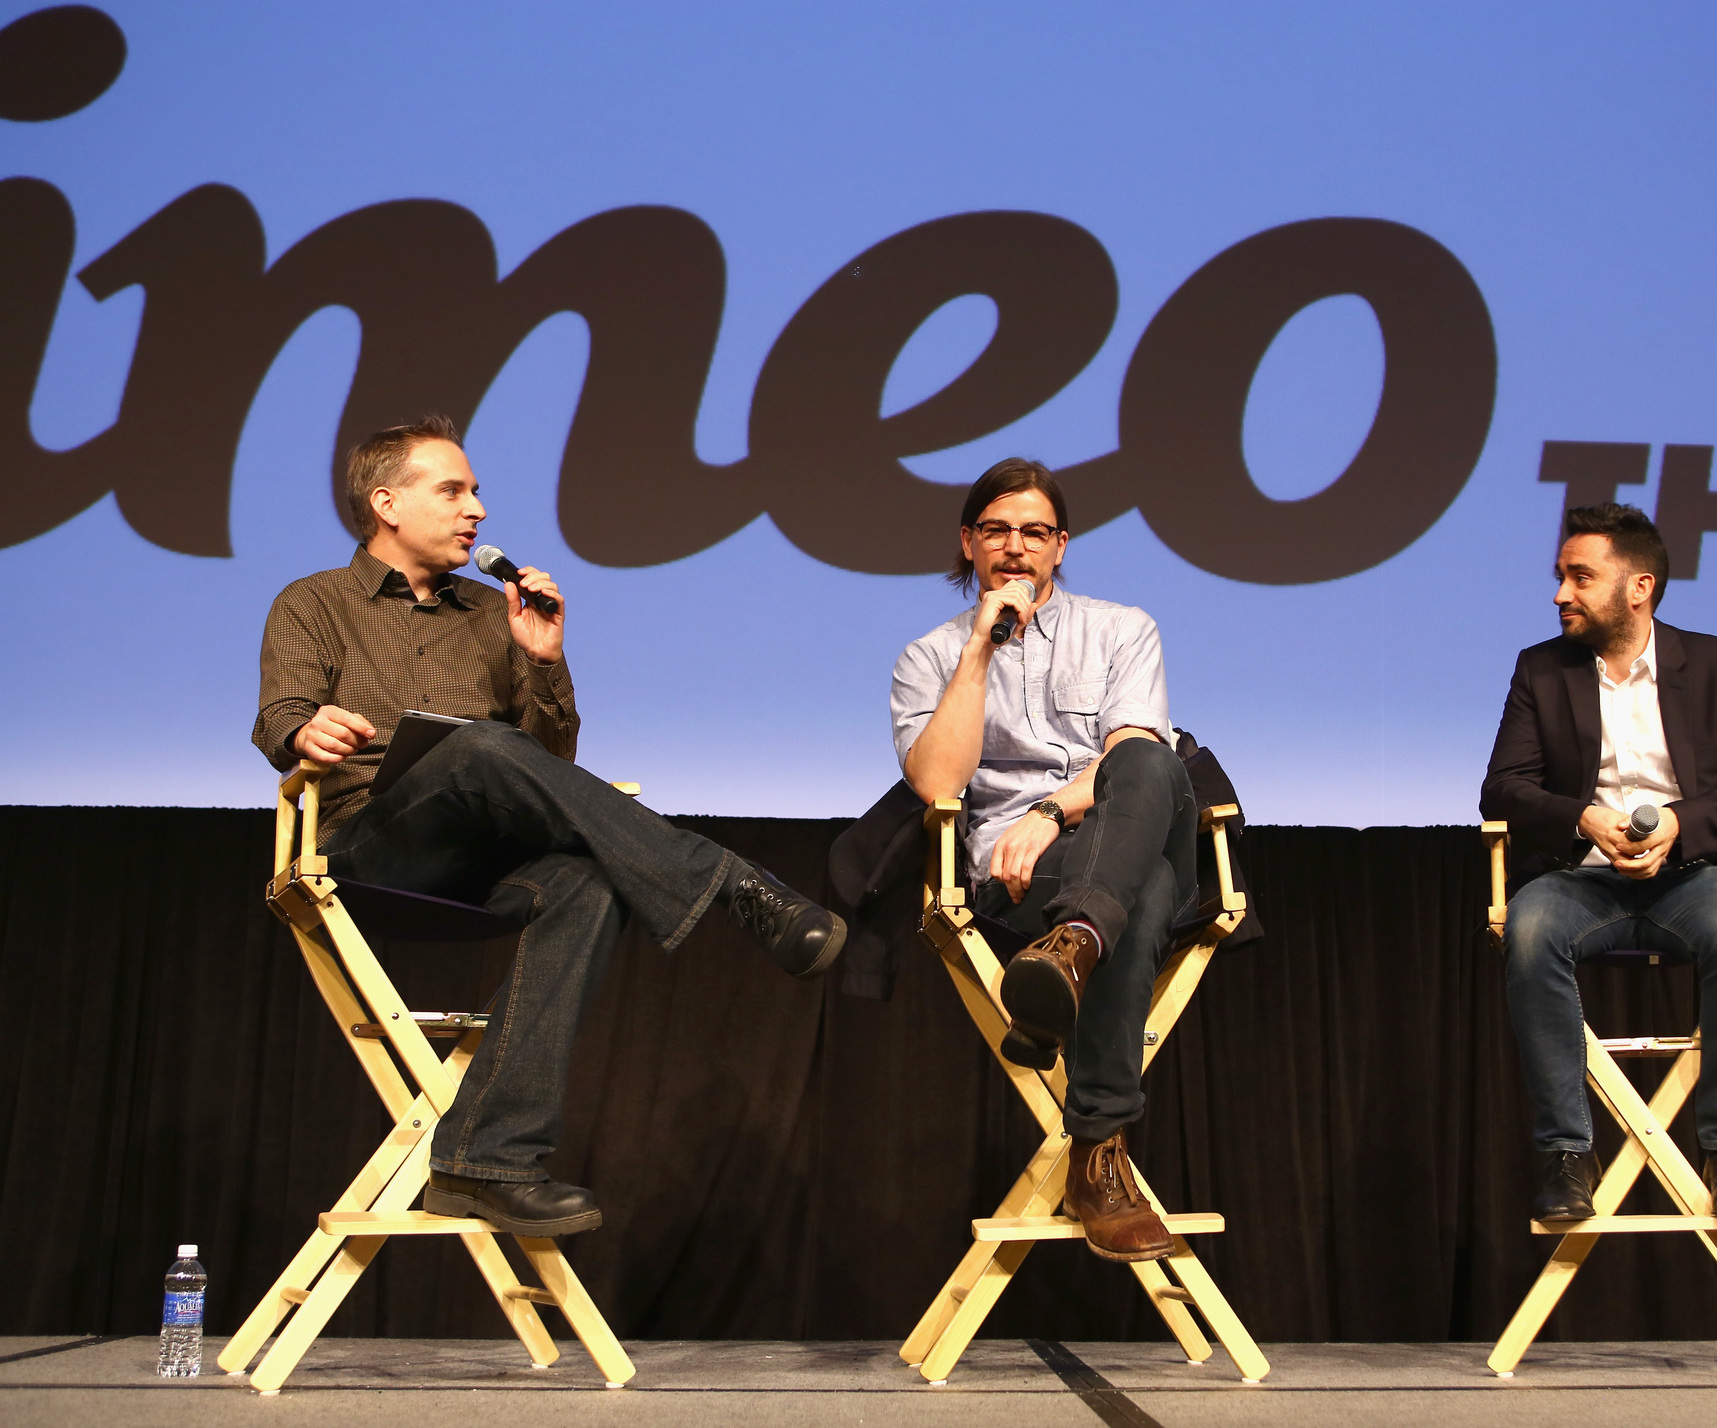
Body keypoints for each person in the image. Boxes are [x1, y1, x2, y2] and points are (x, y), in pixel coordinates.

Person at [253, 415, 844, 1237]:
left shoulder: (492, 615)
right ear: (386, 503)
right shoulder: (314, 601)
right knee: (476, 747)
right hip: (364, 847)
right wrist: (305, 731)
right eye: (454, 490)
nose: (479, 511)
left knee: (590, 880)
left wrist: (540, 659)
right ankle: (728, 883)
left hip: (480, 858)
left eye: (477, 491)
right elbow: (280, 712)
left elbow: (547, 765)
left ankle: (488, 1158)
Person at [890, 457, 1194, 1263]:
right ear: (968, 542)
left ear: (1061, 546)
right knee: (1145, 888)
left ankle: (1073, 950)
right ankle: (1101, 1154)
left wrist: (1050, 811)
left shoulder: (1123, 628)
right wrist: (980, 654)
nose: (1015, 548)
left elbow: (1134, 754)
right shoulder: (930, 657)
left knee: (1157, 765)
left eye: (1034, 532)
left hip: (1097, 832)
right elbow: (937, 783)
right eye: (996, 530)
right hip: (1020, 885)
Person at [1481, 502, 1717, 1222]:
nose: (1561, 594)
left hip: (1694, 877)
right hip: (1581, 879)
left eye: (1580, 577)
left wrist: (1680, 826)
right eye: (1561, 577)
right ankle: (1567, 1157)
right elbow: (1502, 786)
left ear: (1638, 587)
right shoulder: (1542, 669)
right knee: (1530, 931)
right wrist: (1582, 815)